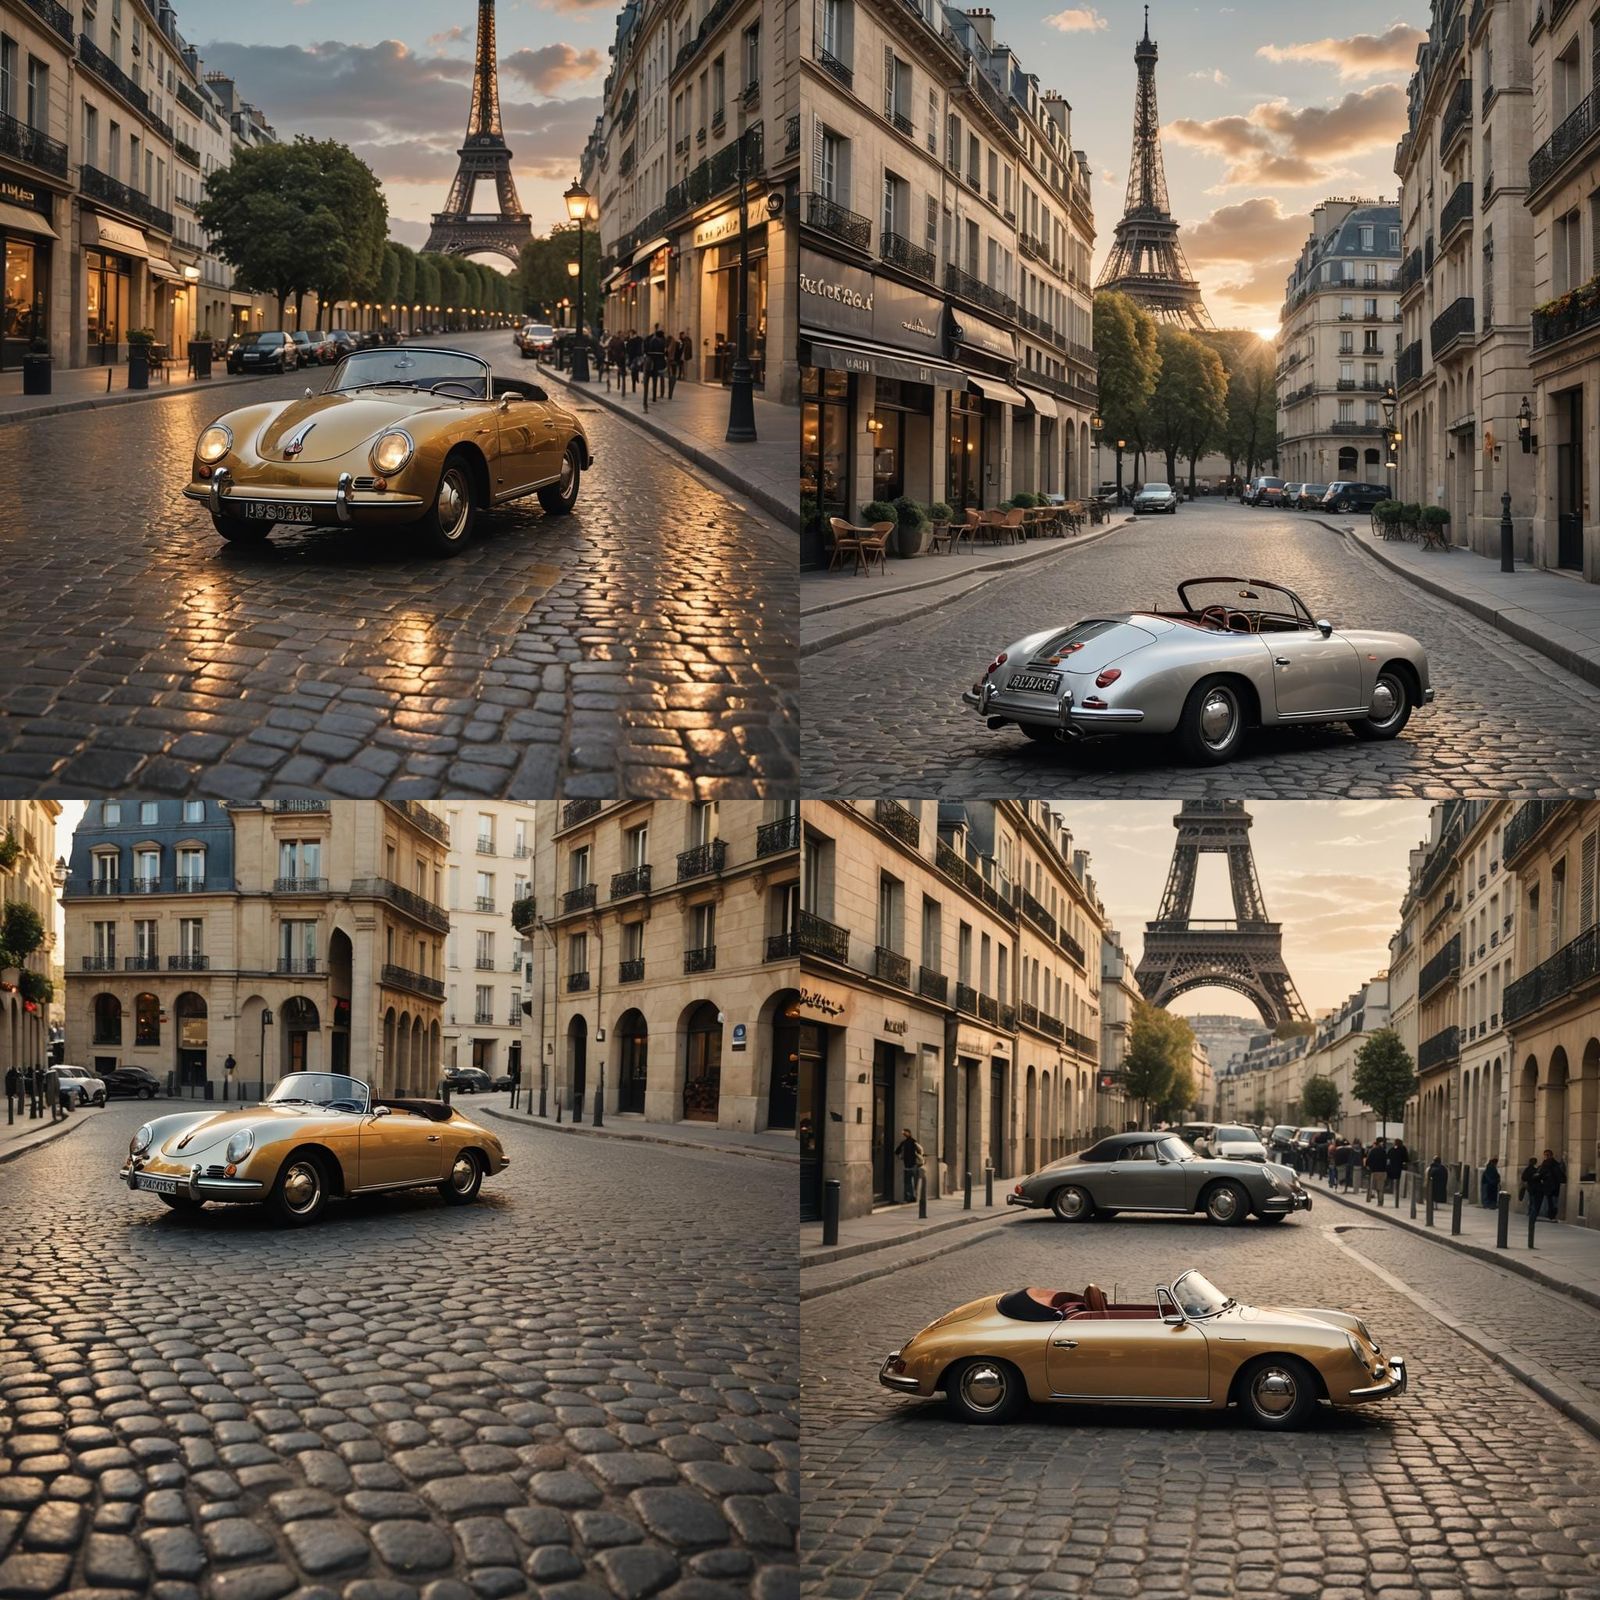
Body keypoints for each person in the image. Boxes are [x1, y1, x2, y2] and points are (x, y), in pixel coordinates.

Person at [894, 1127, 924, 1204]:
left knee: (908, 1182)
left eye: (905, 1133)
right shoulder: (914, 1142)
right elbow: (921, 1151)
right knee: (914, 1182)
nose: (904, 1134)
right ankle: (914, 1196)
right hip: (913, 1165)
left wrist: (901, 1157)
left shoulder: (904, 1143)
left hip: (907, 1165)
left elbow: (897, 1152)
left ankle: (909, 1197)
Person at [1537, 1148, 1565, 1220]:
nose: (1546, 1156)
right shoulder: (1555, 1163)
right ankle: (1552, 1214)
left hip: (1550, 1185)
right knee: (1553, 1200)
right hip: (1554, 1185)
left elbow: (1542, 1173)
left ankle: (1551, 1214)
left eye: (1547, 1155)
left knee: (1551, 1201)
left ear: (1550, 1155)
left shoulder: (1546, 1163)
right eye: (1545, 1155)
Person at [1367, 1137, 1388, 1202]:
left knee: (1375, 1186)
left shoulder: (1373, 1151)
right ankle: (1380, 1200)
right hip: (1382, 1171)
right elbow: (1386, 1161)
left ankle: (1374, 1199)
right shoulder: (1383, 1151)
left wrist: (1370, 1167)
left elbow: (1368, 1161)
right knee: (1380, 1187)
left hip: (1374, 1171)